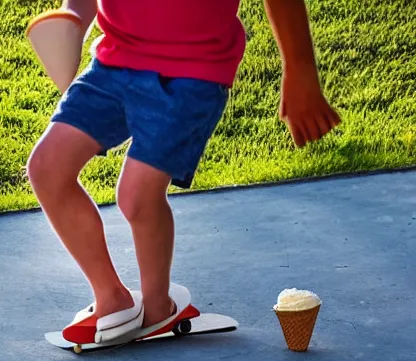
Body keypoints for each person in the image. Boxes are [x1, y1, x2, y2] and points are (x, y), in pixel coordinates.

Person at [26, 0, 341, 343]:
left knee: (137, 196)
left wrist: (300, 72)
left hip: (194, 73)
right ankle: (111, 297)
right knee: (47, 168)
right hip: (113, 64)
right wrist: (71, 19)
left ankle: (159, 307)